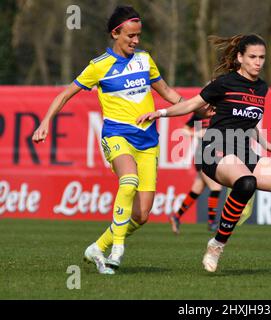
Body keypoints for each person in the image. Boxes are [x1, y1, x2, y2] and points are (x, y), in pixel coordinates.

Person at [32, 6, 209, 275]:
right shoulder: (98, 66)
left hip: (148, 141)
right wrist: (45, 122)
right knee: (129, 181)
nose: (136, 41)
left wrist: (198, 106)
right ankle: (117, 250)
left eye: (138, 36)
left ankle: (97, 247)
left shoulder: (145, 60)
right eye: (130, 36)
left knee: (142, 215)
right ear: (115, 33)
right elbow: (64, 95)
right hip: (117, 135)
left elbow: (169, 94)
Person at [136, 34, 271, 273]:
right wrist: (161, 113)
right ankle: (217, 244)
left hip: (245, 151)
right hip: (214, 149)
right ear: (240, 57)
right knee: (246, 183)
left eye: (261, 57)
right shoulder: (224, 83)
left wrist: (266, 143)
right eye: (252, 57)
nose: (258, 62)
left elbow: (249, 122)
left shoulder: (261, 87)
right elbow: (190, 105)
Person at [169, 113, 223, 234]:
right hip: (203, 156)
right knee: (216, 187)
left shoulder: (221, 110)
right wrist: (197, 134)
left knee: (196, 190)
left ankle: (176, 217)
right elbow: (184, 130)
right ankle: (212, 222)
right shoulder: (200, 113)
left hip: (214, 155)